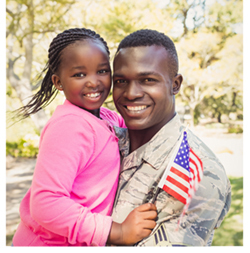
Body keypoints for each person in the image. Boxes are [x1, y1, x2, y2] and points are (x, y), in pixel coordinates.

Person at [12, 28, 157, 246]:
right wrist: (116, 231)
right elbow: (45, 202)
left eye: (102, 71)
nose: (93, 82)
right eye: (79, 74)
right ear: (58, 82)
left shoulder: (107, 118)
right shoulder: (70, 126)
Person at [111, 29, 231, 246]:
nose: (131, 93)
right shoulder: (103, 141)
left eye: (147, 79)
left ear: (175, 85)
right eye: (120, 81)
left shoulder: (199, 173)